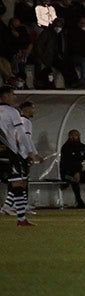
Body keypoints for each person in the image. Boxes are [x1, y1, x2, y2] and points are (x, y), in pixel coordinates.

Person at [0, 87, 39, 225]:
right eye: (12, 94)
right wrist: (30, 152)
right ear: (4, 96)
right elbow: (21, 134)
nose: (14, 97)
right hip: (8, 152)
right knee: (18, 183)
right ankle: (21, 218)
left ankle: (9, 208)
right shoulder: (12, 112)